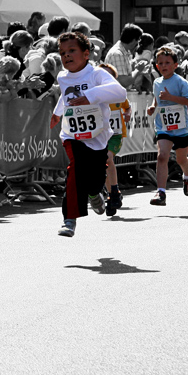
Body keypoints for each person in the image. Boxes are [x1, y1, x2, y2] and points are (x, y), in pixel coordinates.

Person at [49, 32, 126, 237]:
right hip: (72, 134)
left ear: (86, 54)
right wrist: (57, 114)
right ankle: (69, 219)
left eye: (72, 51)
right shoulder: (62, 77)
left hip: (98, 137)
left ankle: (94, 193)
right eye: (62, 52)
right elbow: (66, 98)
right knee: (74, 170)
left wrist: (89, 96)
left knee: (94, 180)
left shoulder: (96, 74)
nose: (66, 56)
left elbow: (119, 92)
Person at [147, 46, 188, 206]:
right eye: (160, 63)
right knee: (162, 156)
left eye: (167, 62)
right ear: (156, 66)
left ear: (176, 65)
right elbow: (157, 98)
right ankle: (160, 192)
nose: (163, 66)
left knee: (181, 160)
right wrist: (153, 106)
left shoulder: (180, 82)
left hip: (181, 128)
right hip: (163, 127)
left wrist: (171, 97)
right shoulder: (156, 82)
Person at [96, 63, 131, 217]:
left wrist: (128, 113)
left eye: (109, 75)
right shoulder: (93, 93)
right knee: (102, 165)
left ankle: (114, 191)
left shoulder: (118, 93)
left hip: (115, 135)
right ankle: (112, 195)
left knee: (107, 158)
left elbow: (127, 106)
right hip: (99, 134)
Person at [104, 23, 149, 89]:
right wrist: (138, 70)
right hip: (115, 97)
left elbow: (127, 77)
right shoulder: (117, 54)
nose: (138, 44)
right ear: (134, 40)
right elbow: (124, 82)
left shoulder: (125, 52)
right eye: (138, 40)